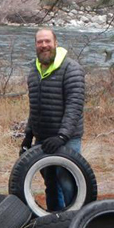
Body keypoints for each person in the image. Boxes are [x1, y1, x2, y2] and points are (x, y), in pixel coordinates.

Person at [20, 28, 85, 211]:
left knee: (68, 183)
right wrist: (28, 136)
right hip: (43, 140)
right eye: (40, 42)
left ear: (56, 43)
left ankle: (75, 221)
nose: (44, 45)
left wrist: (62, 137)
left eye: (47, 41)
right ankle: (54, 223)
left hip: (67, 139)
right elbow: (35, 107)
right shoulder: (34, 70)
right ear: (36, 45)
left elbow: (74, 106)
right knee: (50, 185)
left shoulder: (71, 69)